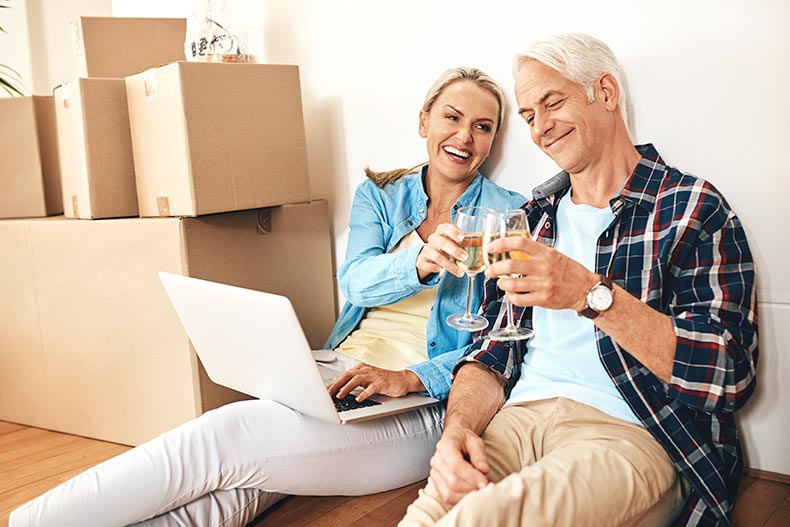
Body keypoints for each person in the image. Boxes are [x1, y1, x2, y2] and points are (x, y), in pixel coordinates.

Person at [9, 67, 524, 527]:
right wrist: (418, 261)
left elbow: (508, 337)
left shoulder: (509, 214)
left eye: (483, 127)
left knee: (224, 437)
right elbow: (356, 281)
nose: (464, 136)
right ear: (423, 122)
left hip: (421, 404)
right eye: (451, 118)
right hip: (338, 375)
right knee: (242, 487)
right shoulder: (383, 194)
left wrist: (407, 377)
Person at [400, 34, 758, 527]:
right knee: (428, 515)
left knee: (484, 518)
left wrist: (590, 295)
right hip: (516, 421)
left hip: (631, 430)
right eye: (528, 116)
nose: (541, 128)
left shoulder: (692, 208)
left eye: (552, 103)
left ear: (605, 93)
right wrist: (457, 429)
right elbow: (491, 351)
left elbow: (729, 374)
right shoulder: (532, 217)